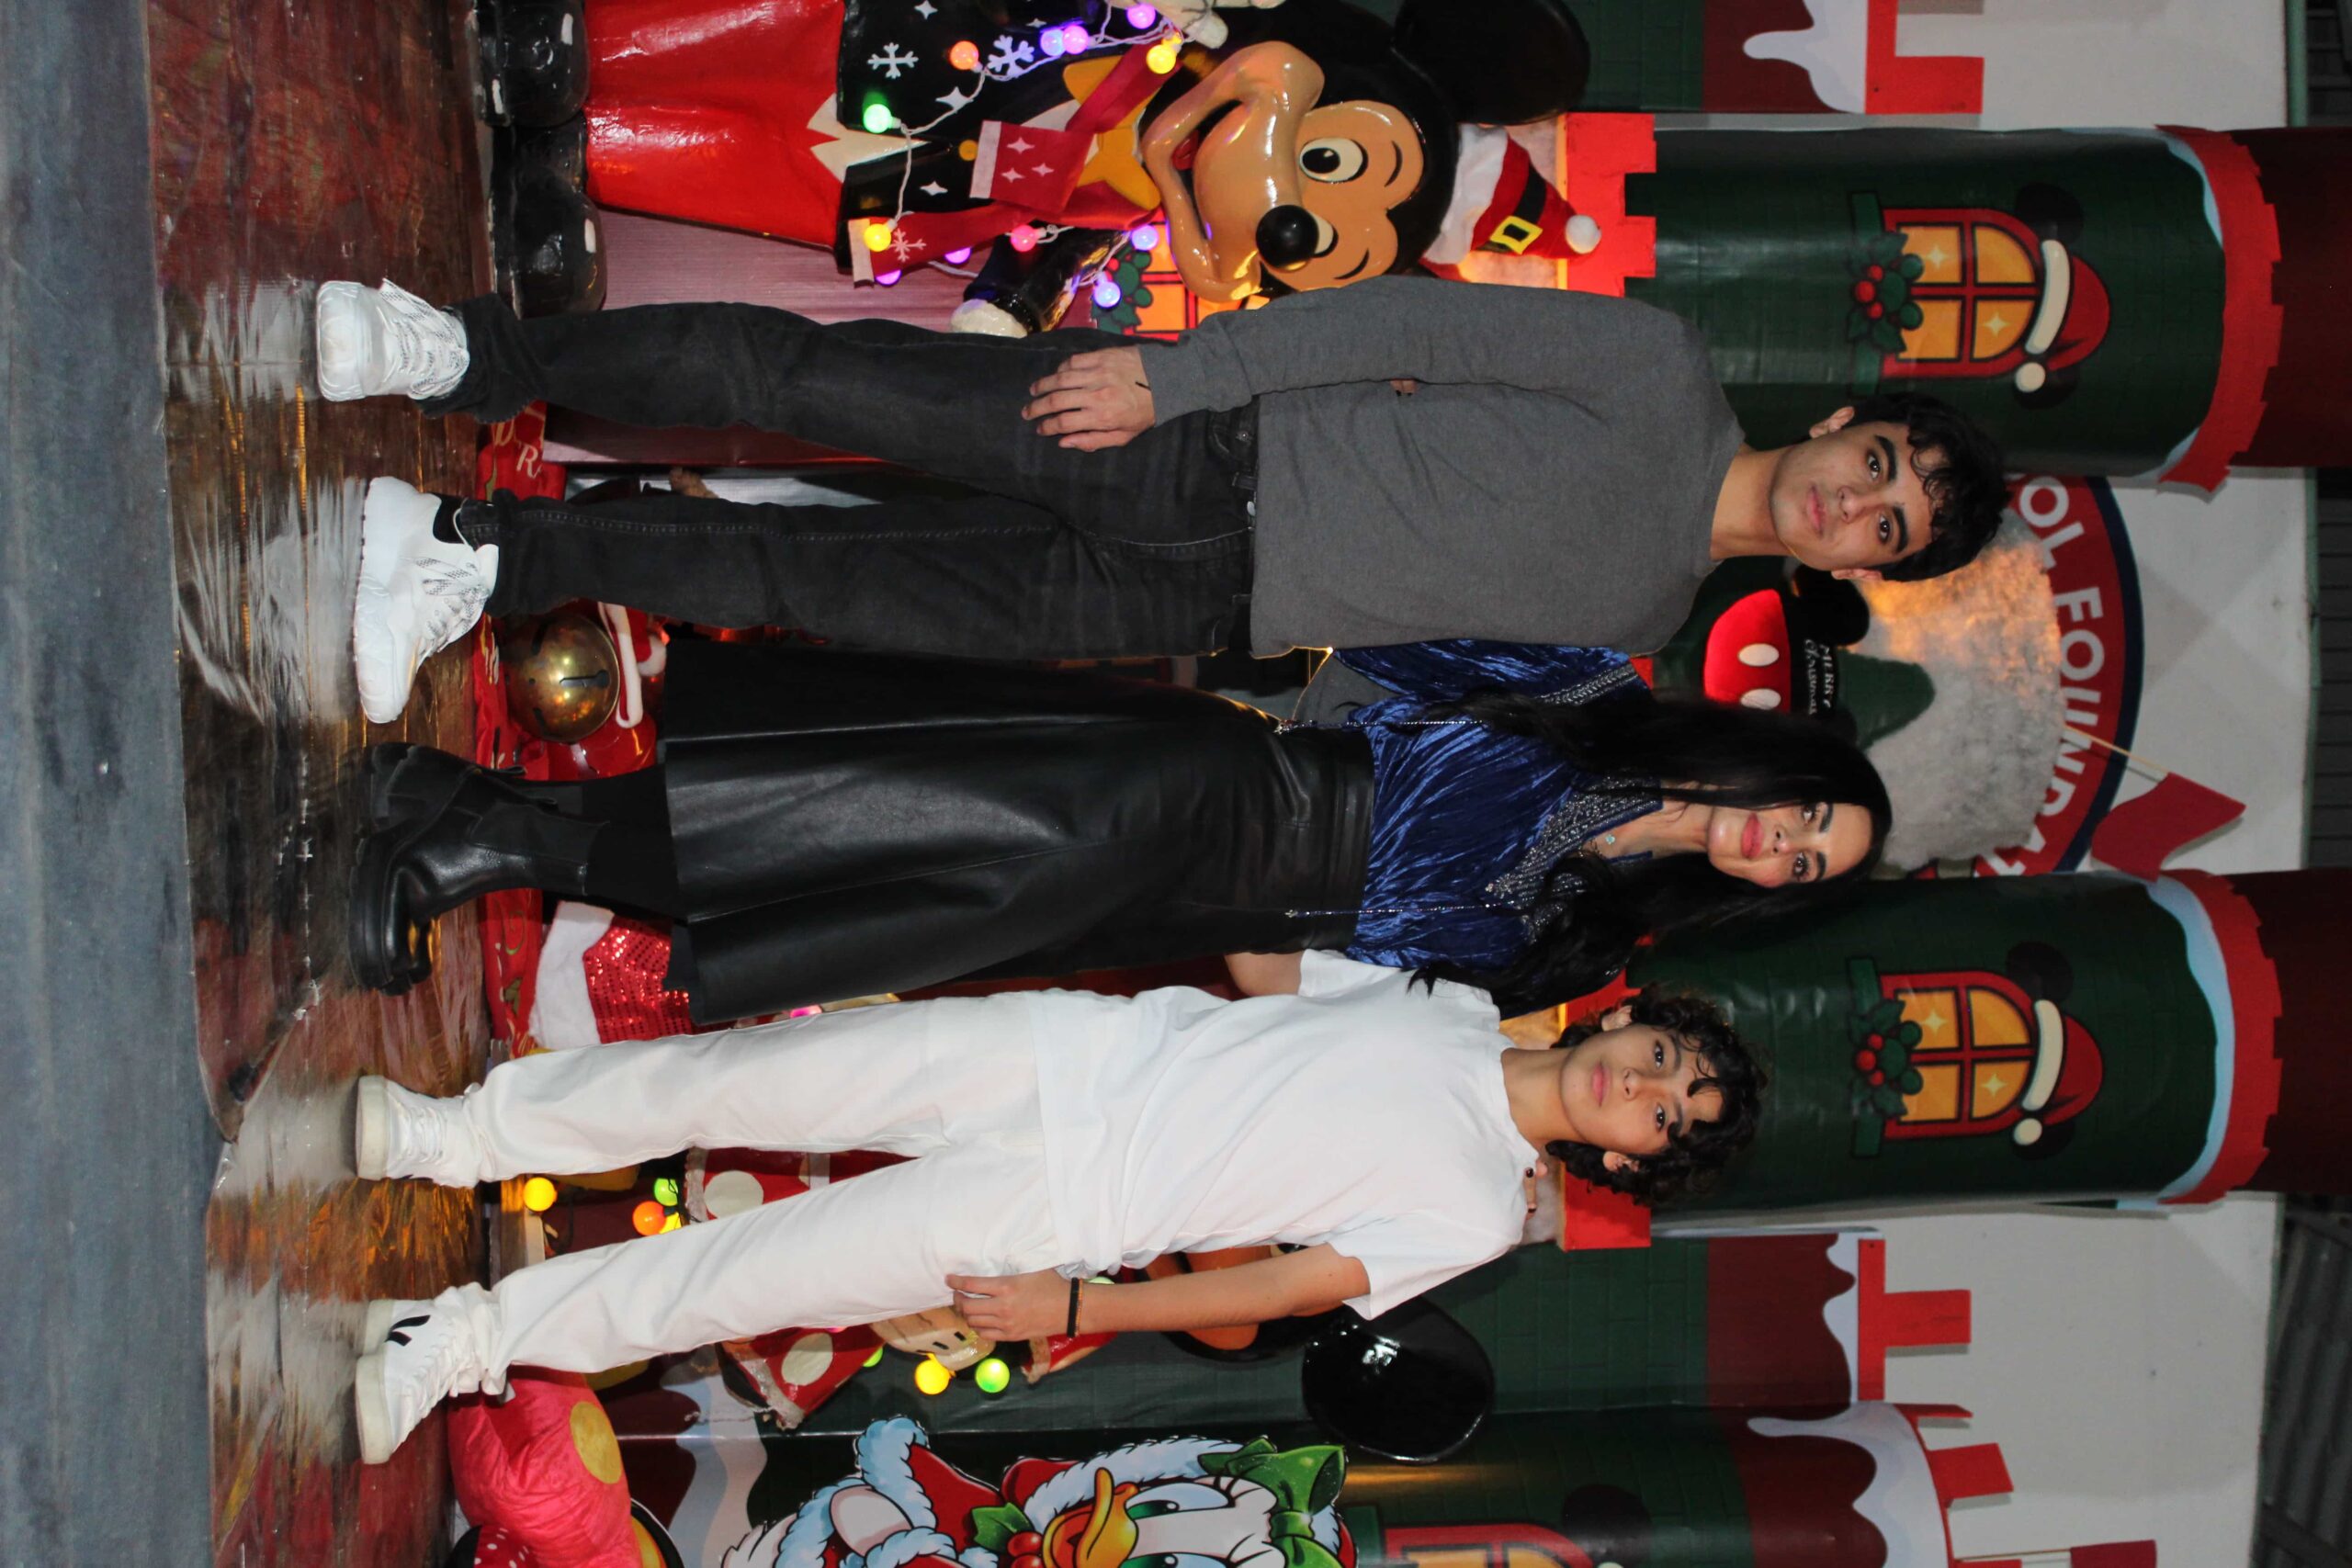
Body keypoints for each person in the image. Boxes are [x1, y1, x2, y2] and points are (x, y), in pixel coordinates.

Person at [312, 275, 2007, 725]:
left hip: (1192, 607)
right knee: (812, 385)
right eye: (1881, 465)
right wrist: (1182, 375)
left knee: (804, 581)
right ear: (1846, 421)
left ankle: (477, 551)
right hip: (1193, 442)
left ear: (1872, 570)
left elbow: (1412, 675)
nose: (1858, 504)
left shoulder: (1646, 624)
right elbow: (1411, 323)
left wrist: (1276, 702)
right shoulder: (1659, 372)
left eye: (1893, 529)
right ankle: (460, 352)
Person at [347, 955, 1764, 1464]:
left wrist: (1078, 1306)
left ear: (1631, 1165)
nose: (1646, 1089)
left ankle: (460, 1344)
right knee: (740, 1080)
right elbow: (1270, 970)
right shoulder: (1453, 1002)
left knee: (748, 1282)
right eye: (1665, 1059)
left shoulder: (1479, 1213)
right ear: (1629, 1020)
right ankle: (460, 1133)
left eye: (1668, 1116)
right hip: (1056, 1052)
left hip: (1068, 1205)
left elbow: (1279, 1290)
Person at [349, 637, 1889, 1017]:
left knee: (858, 888)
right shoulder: (1597, 696)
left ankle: (475, 814)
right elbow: (1372, 620)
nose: (1786, 845)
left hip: (1197, 916)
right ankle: (493, 842)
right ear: (1782, 764)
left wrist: (1253, 982)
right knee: (843, 822)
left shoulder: (1588, 948)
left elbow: (1361, 1000)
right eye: (1809, 814)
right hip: (1214, 786)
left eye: (1810, 866)